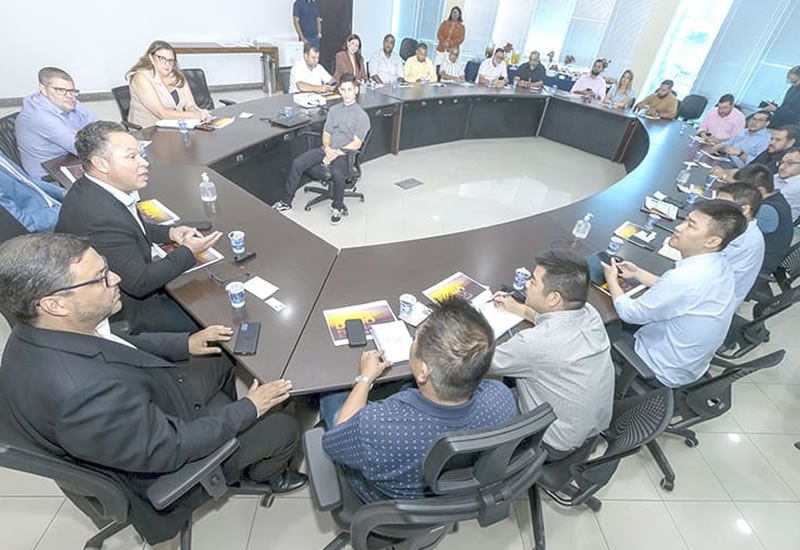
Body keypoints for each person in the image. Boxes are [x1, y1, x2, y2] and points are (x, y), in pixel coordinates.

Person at [0, 233, 305, 545]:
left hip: (145, 411)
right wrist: (248, 409)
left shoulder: (36, 331)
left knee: (220, 357)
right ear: (55, 304)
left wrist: (184, 344)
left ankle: (229, 427)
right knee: (284, 428)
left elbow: (112, 345)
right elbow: (173, 448)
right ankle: (263, 475)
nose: (116, 278)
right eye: (101, 278)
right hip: (165, 461)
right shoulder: (83, 396)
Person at [320, 296, 517, 503]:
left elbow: (334, 441)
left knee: (332, 395)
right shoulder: (501, 397)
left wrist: (365, 378)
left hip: (388, 501)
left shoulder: (375, 425)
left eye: (415, 339)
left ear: (423, 371)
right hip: (453, 493)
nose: (413, 343)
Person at [54, 121, 222, 334]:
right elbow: (140, 283)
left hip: (127, 282)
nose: (144, 163)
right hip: (127, 310)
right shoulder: (101, 218)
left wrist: (170, 233)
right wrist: (189, 251)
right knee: (213, 311)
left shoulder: (91, 187)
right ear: (101, 164)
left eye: (140, 154)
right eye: (131, 157)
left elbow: (130, 228)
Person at [603, 200, 746, 387]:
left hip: (656, 369)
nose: (679, 227)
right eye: (685, 220)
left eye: (690, 225)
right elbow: (679, 294)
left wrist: (612, 280)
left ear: (712, 241)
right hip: (688, 365)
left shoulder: (686, 278)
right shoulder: (720, 265)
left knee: (597, 326)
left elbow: (630, 314)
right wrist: (638, 273)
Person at [489, 250, 613, 460]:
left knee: (487, 394)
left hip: (551, 442)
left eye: (533, 281)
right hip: (588, 428)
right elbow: (549, 319)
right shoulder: (589, 314)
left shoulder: (533, 343)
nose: (526, 285)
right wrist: (517, 308)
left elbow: (481, 362)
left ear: (554, 298)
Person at [273, 74, 370, 225]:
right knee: (298, 163)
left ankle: (337, 206)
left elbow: (357, 143)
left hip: (345, 153)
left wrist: (336, 153)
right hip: (328, 148)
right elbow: (326, 133)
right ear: (339, 90)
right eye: (343, 89)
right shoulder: (334, 110)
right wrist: (328, 149)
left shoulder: (361, 116)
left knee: (337, 172)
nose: (346, 93)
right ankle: (286, 202)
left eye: (350, 89)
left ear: (356, 90)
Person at [15, 67, 98, 179]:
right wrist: (83, 135)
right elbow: (82, 149)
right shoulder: (39, 116)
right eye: (60, 90)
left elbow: (98, 127)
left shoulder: (67, 100)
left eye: (72, 91)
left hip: (71, 160)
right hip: (50, 177)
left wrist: (79, 135)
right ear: (43, 89)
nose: (69, 96)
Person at [126, 41, 211, 128]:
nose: (167, 64)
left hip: (175, 127)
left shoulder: (178, 77)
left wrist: (199, 113)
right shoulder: (141, 78)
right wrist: (195, 116)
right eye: (162, 59)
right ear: (151, 58)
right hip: (147, 130)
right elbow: (161, 113)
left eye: (170, 61)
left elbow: (190, 105)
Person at [735, 164, 794, 274]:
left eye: (742, 190)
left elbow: (735, 234)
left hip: (755, 267)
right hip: (754, 257)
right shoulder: (776, 198)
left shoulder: (766, 210)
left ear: (760, 190)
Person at [716, 183, 765, 305]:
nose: (715, 209)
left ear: (745, 209)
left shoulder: (746, 241)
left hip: (715, 299)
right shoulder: (737, 226)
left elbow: (717, 279)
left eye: (723, 205)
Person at [0, 150, 63, 232]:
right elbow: (25, 224)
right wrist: (66, 209)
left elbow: (28, 181)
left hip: (53, 209)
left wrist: (65, 193)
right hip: (44, 231)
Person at [714, 125, 798, 182]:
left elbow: (753, 186)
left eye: (778, 140)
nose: (771, 142)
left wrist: (725, 176)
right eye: (772, 139)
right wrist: (722, 171)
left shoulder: (783, 163)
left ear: (790, 143)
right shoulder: (770, 151)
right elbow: (747, 170)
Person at [774, 147, 800, 221]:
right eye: (781, 162)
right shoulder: (777, 176)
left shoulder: (797, 187)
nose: (782, 167)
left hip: (778, 222)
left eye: (790, 163)